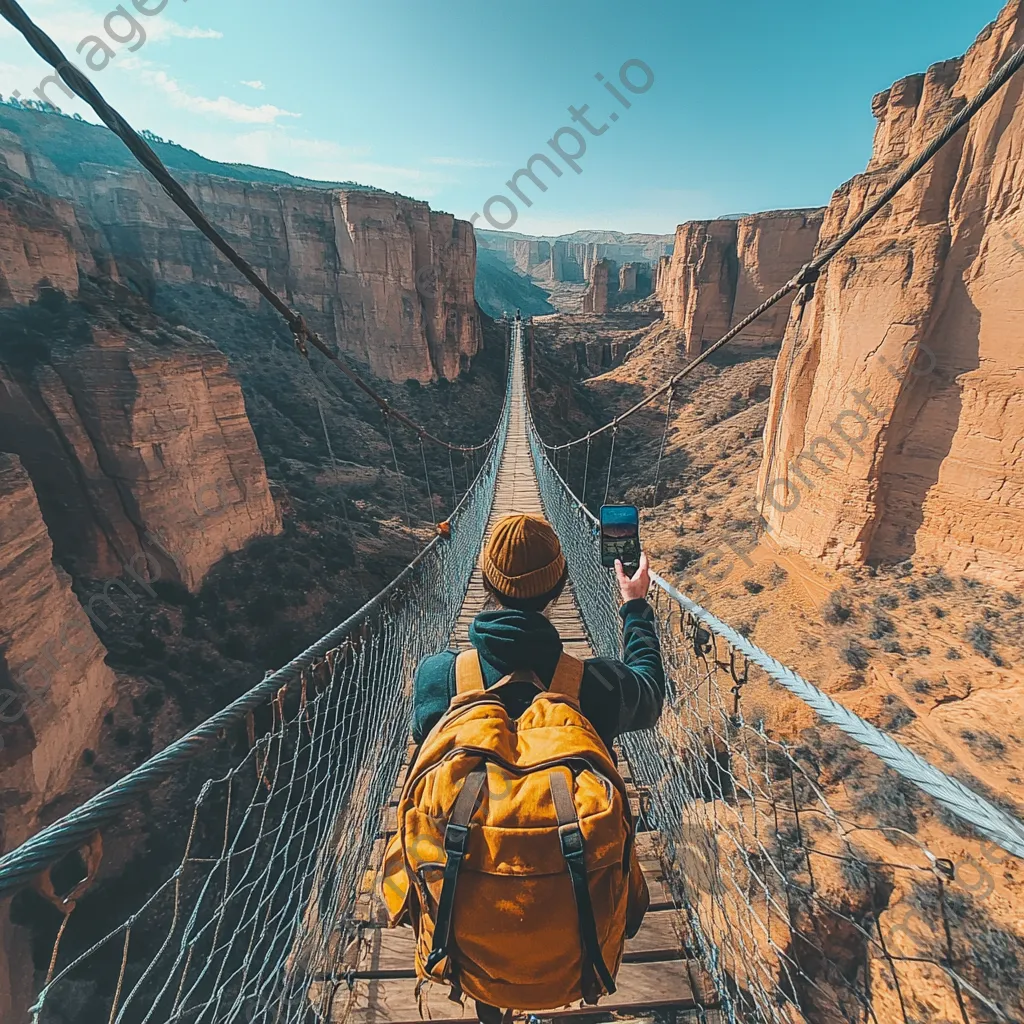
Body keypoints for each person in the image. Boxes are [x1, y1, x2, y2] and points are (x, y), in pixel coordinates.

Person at [412, 512, 664, 751]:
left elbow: (426, 739)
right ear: (560, 585)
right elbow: (650, 689)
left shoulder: (437, 675)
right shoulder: (599, 684)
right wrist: (635, 607)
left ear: (486, 581)